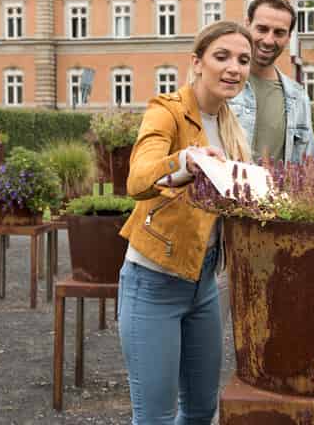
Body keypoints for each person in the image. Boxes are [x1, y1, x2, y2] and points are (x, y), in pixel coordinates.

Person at [118, 21, 254, 425]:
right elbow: (139, 179)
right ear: (197, 62)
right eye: (222, 57)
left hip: (205, 283)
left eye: (243, 60)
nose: (234, 68)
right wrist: (183, 162)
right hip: (153, 282)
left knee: (199, 411)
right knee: (155, 417)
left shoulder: (230, 123)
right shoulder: (167, 111)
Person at [229, 0, 314, 164]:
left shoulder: (297, 97)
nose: (269, 40)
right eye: (262, 29)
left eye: (279, 33)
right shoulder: (221, 83)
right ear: (247, 25)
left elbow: (307, 164)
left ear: (288, 37)